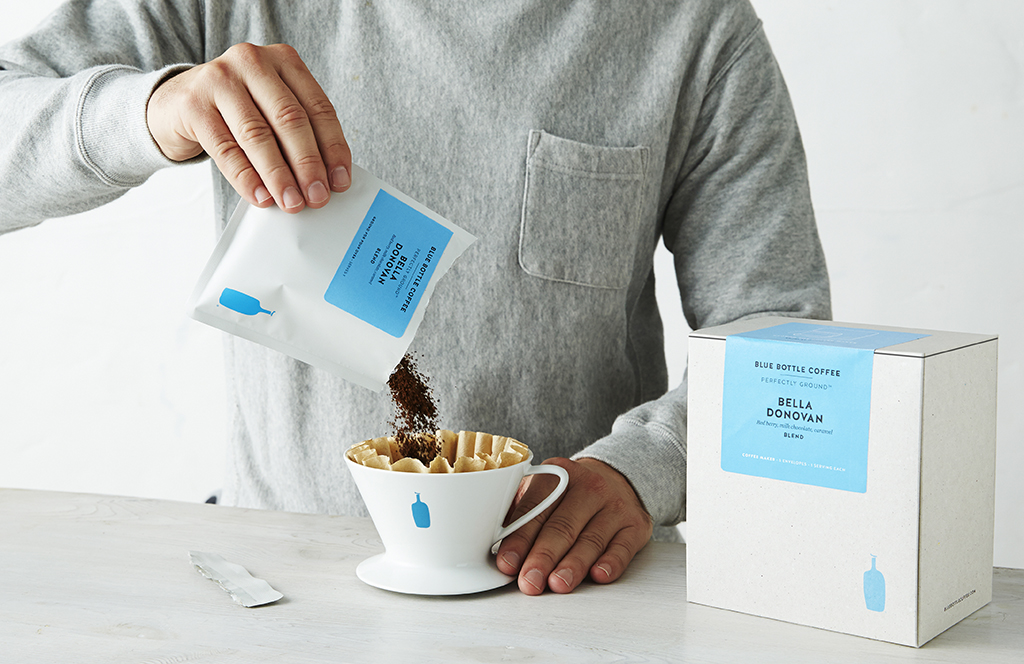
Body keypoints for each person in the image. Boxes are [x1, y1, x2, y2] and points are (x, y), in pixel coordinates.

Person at [0, 0, 831, 595]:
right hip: (289, 576)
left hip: (563, 583)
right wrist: (152, 107)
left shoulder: (697, 29)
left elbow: (784, 338)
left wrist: (649, 468)